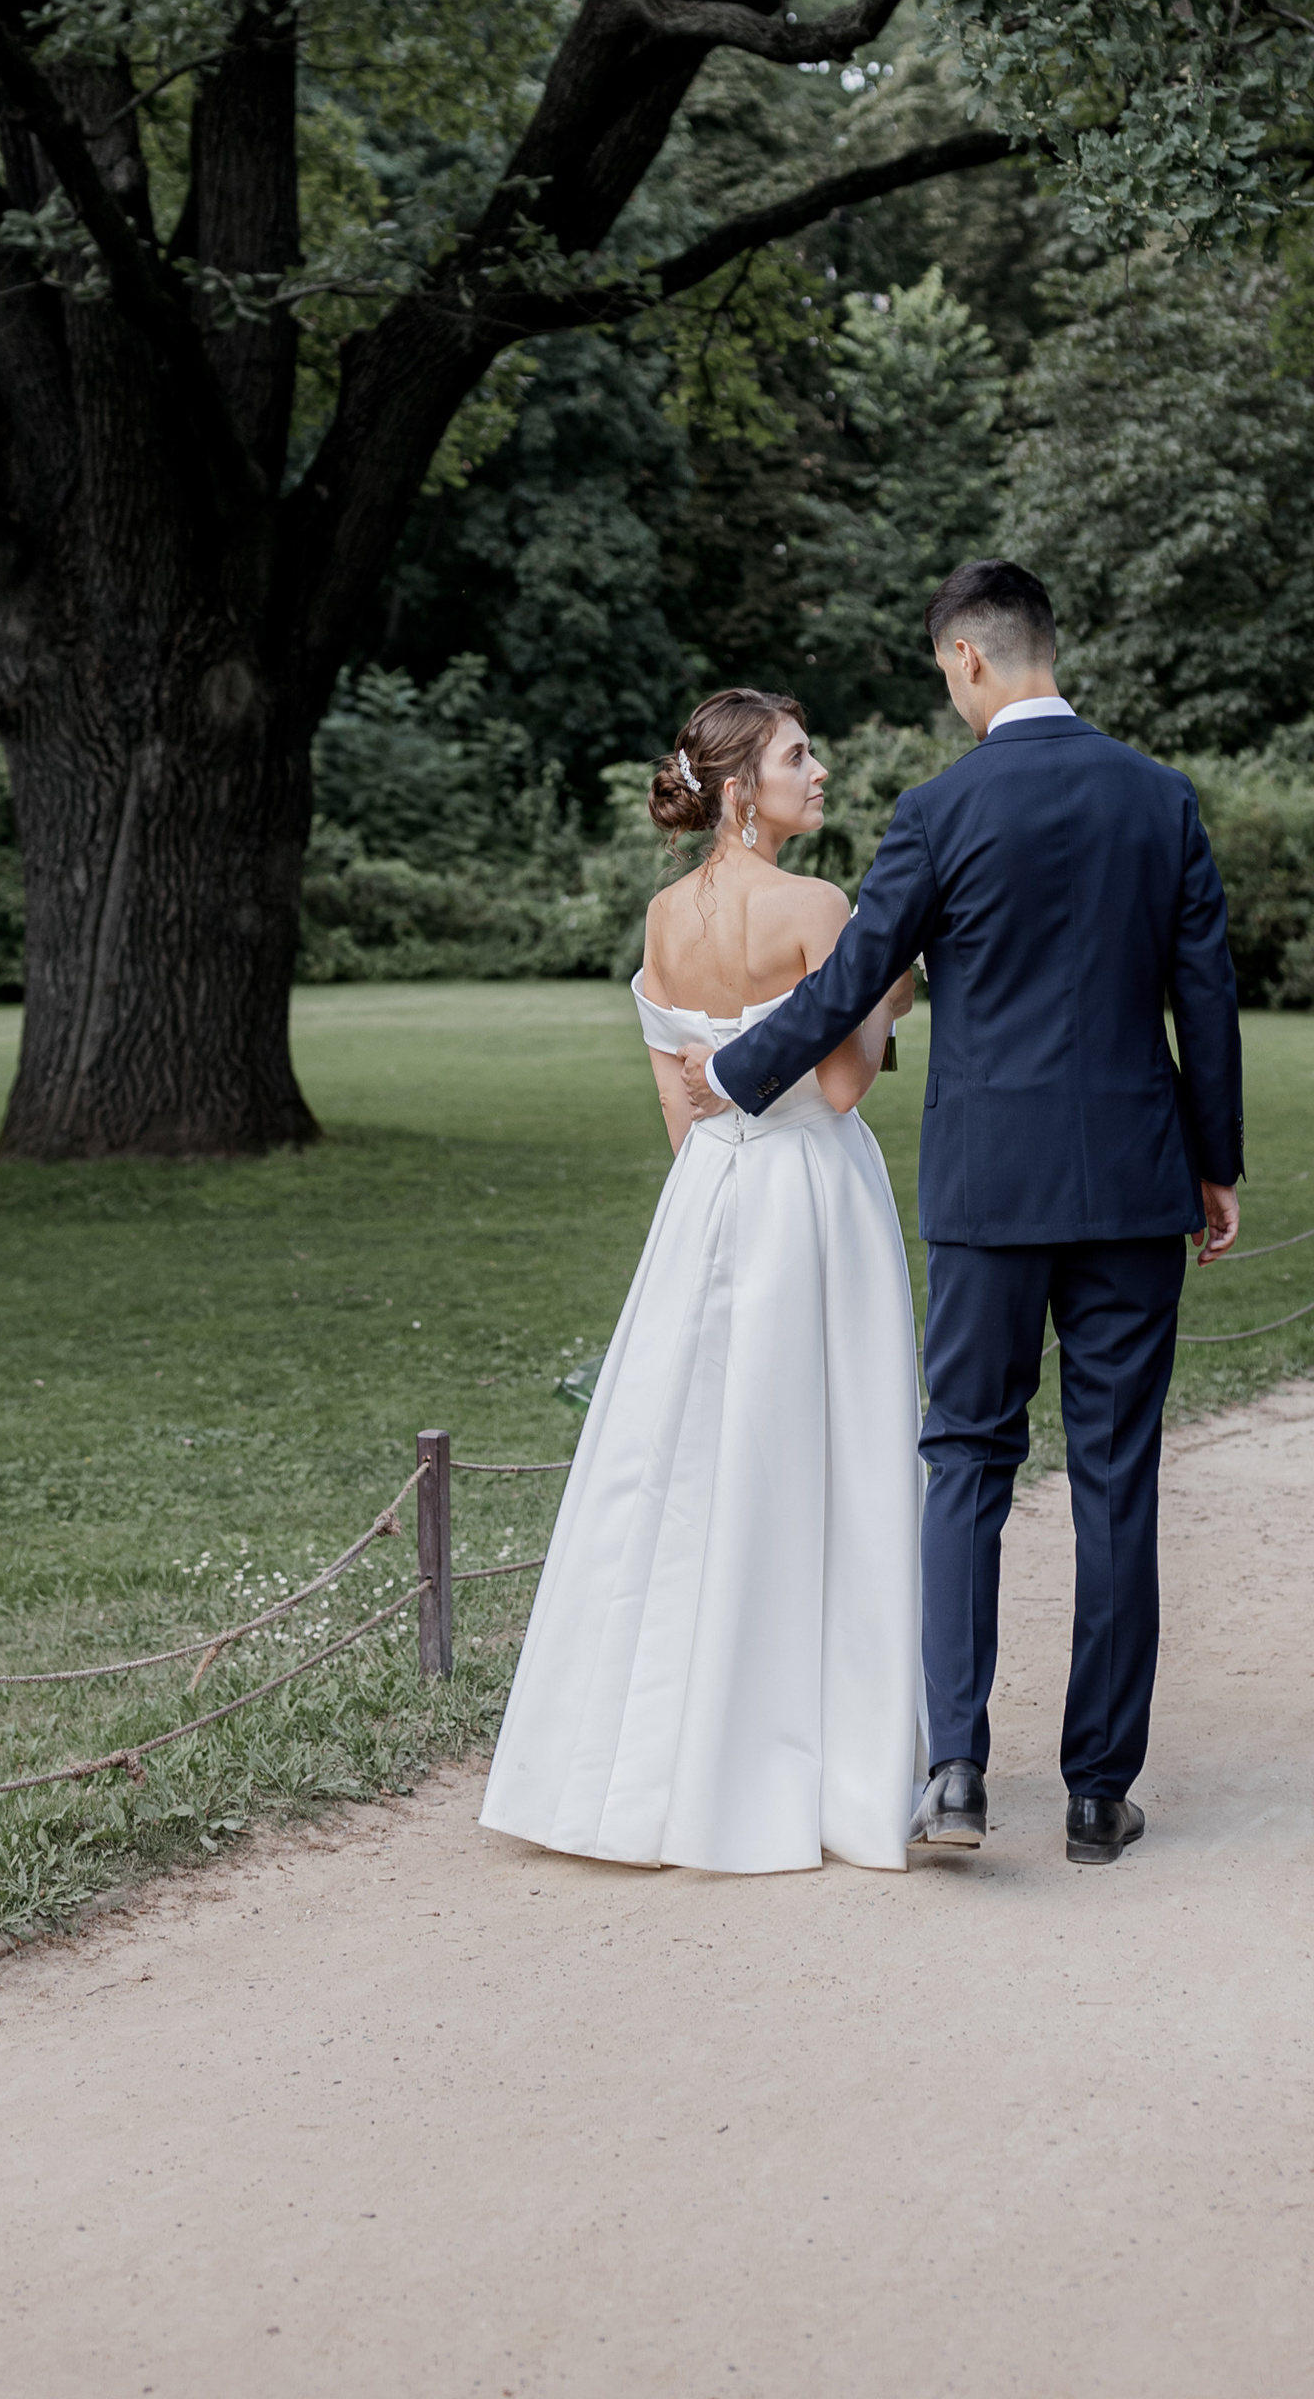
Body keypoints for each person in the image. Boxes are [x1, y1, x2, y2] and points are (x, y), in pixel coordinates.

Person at [678, 559, 1242, 1866]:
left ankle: (953, 1774)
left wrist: (737, 1074)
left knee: (966, 1463)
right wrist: (1218, 1167)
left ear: (974, 661)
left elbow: (858, 977)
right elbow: (1201, 1001)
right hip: (1133, 1186)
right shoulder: (1160, 802)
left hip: (989, 1190)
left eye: (945, 675)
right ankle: (1100, 1793)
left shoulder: (942, 810)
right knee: (1115, 1477)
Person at [479, 687, 923, 1874]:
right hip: (813, 1201)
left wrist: (721, 1173)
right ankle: (815, 1758)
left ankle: (645, 1763)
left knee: (683, 1470)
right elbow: (838, 1090)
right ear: (741, 789)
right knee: (823, 1465)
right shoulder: (819, 905)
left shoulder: (664, 915)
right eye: (797, 755)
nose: (818, 770)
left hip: (707, 1200)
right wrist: (893, 996)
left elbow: (680, 1110)